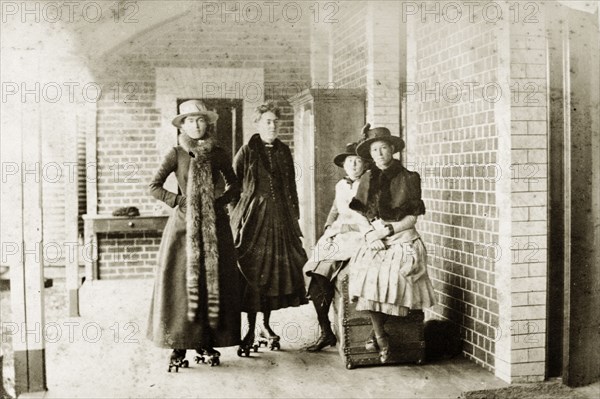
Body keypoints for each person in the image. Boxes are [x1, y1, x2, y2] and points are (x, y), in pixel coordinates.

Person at [147, 100, 242, 371]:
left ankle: (205, 341)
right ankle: (178, 344)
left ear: (207, 123)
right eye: (190, 120)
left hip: (214, 228)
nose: (196, 125)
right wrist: (179, 201)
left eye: (200, 120)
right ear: (183, 125)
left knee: (212, 283)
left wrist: (220, 201)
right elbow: (154, 186)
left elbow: (235, 186)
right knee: (181, 286)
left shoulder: (220, 153)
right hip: (183, 229)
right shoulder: (176, 153)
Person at [348, 124, 436, 363]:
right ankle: (381, 336)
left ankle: (376, 334)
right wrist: (369, 235)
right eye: (375, 150)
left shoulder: (409, 178)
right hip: (375, 236)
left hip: (401, 237)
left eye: (384, 148)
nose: (379, 154)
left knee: (394, 278)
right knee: (365, 277)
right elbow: (359, 213)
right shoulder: (367, 178)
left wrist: (388, 230)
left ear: (393, 149)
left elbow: (412, 218)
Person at [230, 100, 308, 354]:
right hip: (254, 222)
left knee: (274, 274)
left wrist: (293, 217)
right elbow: (233, 187)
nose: (272, 125)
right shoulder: (246, 151)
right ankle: (250, 330)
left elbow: (291, 187)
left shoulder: (284, 151)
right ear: (258, 123)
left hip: (280, 220)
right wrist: (238, 216)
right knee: (253, 274)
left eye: (275, 121)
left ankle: (265, 325)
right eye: (267, 121)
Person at [302, 142, 371, 351]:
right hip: (339, 234)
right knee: (313, 273)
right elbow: (335, 208)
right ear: (344, 165)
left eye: (358, 161)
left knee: (323, 274)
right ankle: (326, 331)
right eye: (350, 162)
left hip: (359, 234)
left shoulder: (369, 183)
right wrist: (329, 226)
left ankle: (327, 332)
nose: (354, 165)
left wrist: (348, 227)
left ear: (365, 164)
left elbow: (371, 214)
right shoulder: (341, 185)